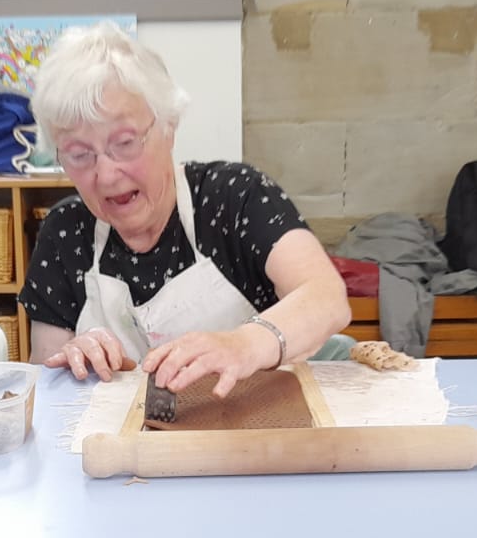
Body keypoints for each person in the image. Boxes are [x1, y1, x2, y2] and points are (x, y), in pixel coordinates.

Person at [18, 21, 350, 398]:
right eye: (79, 155)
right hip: (127, 449)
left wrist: (244, 344)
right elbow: (46, 385)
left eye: (125, 143)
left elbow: (326, 297)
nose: (106, 174)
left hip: (255, 435)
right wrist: (76, 359)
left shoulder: (233, 198)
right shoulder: (65, 233)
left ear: (168, 126)